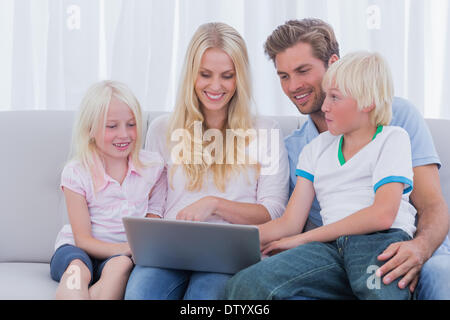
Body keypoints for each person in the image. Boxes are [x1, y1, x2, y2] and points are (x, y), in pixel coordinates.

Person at [228, 18, 450, 299]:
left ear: (333, 63)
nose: (293, 86)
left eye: (303, 70)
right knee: (246, 284)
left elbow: (428, 205)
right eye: (283, 76)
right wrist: (225, 242)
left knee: (438, 277)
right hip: (331, 251)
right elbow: (288, 222)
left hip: (401, 244)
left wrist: (420, 247)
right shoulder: (301, 148)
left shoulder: (396, 123)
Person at [124, 22, 289, 300]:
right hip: (170, 251)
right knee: (141, 293)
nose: (215, 86)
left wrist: (214, 205)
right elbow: (155, 204)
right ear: (191, 75)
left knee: (205, 298)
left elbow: (273, 211)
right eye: (205, 74)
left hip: (228, 255)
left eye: (227, 76)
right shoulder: (162, 130)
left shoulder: (266, 131)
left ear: (240, 78)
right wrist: (147, 240)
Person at [50, 80, 167, 299]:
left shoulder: (153, 167)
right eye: (112, 126)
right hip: (77, 250)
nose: (124, 134)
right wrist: (125, 247)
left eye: (131, 124)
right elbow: (82, 239)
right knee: (76, 270)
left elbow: (153, 220)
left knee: (121, 267)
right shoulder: (76, 172)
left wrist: (132, 250)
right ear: (90, 130)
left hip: (120, 257)